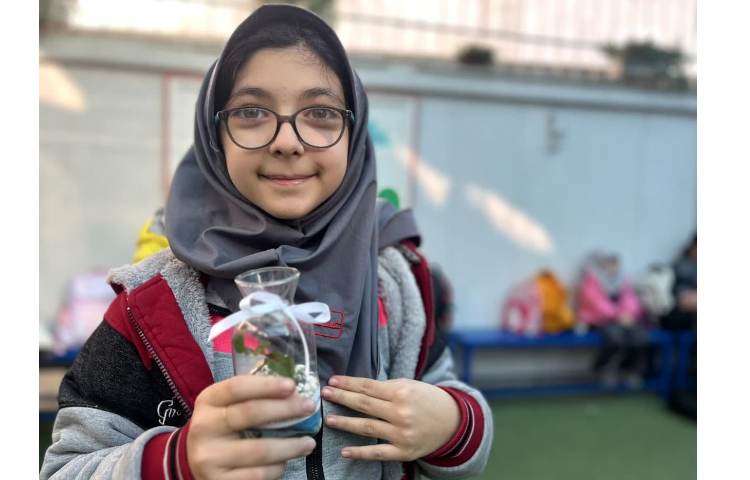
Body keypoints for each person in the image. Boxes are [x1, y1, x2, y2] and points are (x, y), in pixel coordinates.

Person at [40, 5, 492, 480]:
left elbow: (447, 396)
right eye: (252, 112)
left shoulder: (396, 282)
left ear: (354, 134)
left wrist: (453, 424)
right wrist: (177, 461)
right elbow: (65, 468)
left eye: (320, 113)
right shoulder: (152, 305)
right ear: (215, 134)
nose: (286, 142)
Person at [576, 251, 648, 388]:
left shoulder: (622, 279)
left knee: (639, 335)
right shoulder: (592, 279)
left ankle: (628, 369)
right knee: (615, 337)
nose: (613, 267)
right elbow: (595, 302)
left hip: (621, 320)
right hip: (597, 320)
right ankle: (601, 369)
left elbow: (630, 298)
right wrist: (618, 315)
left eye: (615, 264)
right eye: (609, 263)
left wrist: (629, 313)